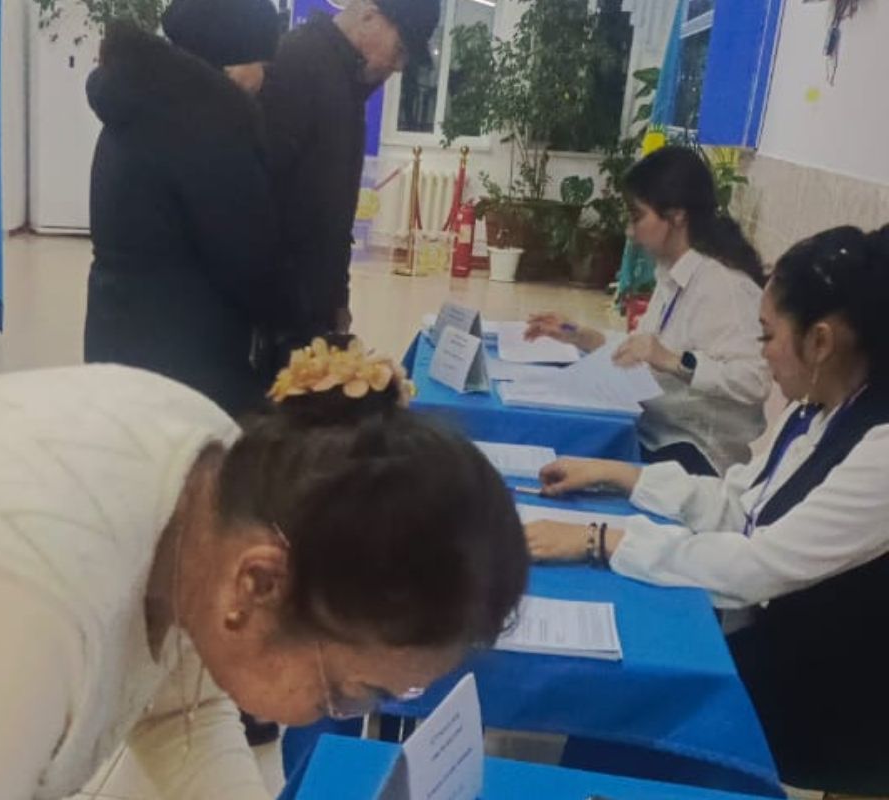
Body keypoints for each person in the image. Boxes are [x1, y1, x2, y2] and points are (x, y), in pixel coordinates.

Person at [0, 341, 529, 799]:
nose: (335, 714)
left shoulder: (224, 486)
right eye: (346, 692)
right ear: (260, 583)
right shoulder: (19, 608)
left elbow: (181, 710)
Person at [525, 225, 889, 793]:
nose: (762, 353)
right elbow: (740, 502)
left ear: (820, 342)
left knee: (638, 701)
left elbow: (757, 566)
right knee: (624, 689)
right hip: (770, 644)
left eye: (767, 336)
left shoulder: (880, 446)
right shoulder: (817, 409)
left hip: (828, 700)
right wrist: (619, 474)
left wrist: (600, 540)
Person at [82, 0, 295, 418]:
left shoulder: (137, 102)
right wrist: (296, 322)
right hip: (186, 359)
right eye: (261, 63)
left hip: (116, 332)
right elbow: (247, 259)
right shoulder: (210, 127)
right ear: (229, 58)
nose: (263, 79)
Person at [526, 146, 771, 475]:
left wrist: (675, 361)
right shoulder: (673, 273)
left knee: (572, 466)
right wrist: (577, 334)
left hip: (696, 454)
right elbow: (641, 349)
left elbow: (754, 380)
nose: (631, 231)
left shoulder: (724, 286)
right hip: (653, 434)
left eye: (638, 217)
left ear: (677, 216)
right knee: (558, 443)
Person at [259, 0, 440, 342]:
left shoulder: (346, 81)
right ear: (369, 15)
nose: (399, 66)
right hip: (278, 305)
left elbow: (335, 207)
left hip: (312, 302)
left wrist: (337, 298)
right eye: (399, 49)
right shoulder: (297, 63)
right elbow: (265, 190)